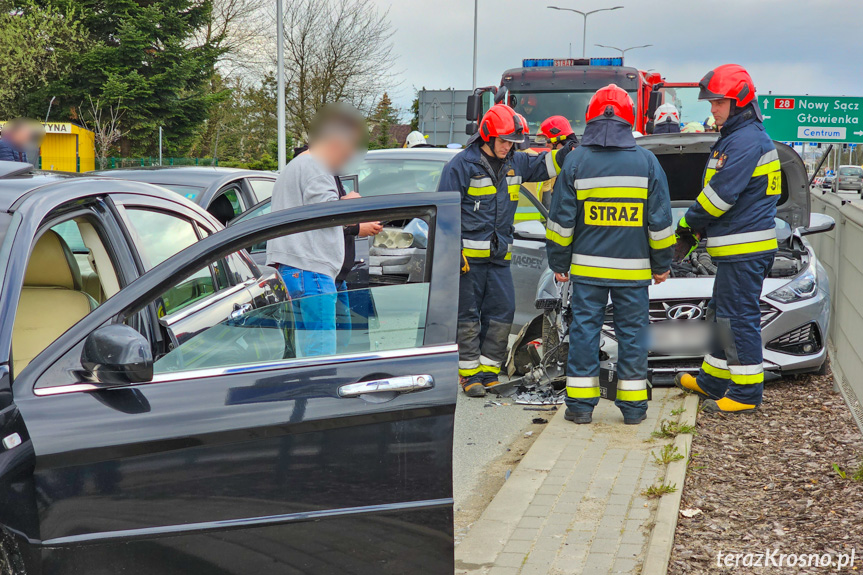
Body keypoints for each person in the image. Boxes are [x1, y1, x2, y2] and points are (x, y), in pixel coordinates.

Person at [546, 84, 674, 425]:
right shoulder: (646, 162)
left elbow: (560, 221)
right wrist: (662, 266)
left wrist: (559, 263)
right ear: (629, 117)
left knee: (585, 331)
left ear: (590, 116)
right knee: (633, 333)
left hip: (587, 270)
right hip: (633, 273)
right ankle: (633, 411)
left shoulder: (575, 162)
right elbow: (660, 223)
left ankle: (580, 408)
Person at [438, 103, 574, 397]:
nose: (507, 147)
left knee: (502, 313)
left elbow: (547, 165)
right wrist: (453, 251)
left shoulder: (517, 162)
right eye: (503, 141)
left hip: (499, 259)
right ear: (487, 136)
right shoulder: (461, 166)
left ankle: (489, 371)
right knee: (468, 317)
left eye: (512, 142)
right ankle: (469, 375)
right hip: (466, 262)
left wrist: (569, 148)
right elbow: (444, 214)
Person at [673, 64, 781, 414]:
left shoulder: (746, 142)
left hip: (745, 250)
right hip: (737, 249)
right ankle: (712, 381)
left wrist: (687, 227)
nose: (712, 109)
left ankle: (746, 394)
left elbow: (719, 196)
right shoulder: (737, 138)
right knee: (721, 313)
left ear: (738, 102)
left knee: (737, 318)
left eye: (718, 103)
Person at [266, 104, 381, 357]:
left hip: (305, 270)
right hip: (311, 270)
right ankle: (321, 396)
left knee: (321, 348)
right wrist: (350, 202)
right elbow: (325, 212)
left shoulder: (301, 164)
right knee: (321, 355)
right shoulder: (316, 165)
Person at [538, 116, 579, 209]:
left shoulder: (573, 159)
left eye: (547, 140)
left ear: (557, 140)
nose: (546, 144)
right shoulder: (572, 156)